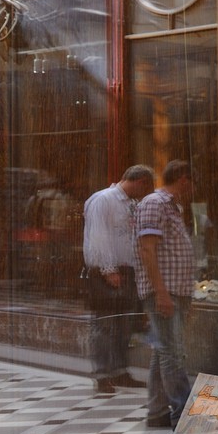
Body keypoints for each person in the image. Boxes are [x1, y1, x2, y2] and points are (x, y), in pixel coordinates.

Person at [81, 165, 154, 394]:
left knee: (124, 324)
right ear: (140, 181)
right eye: (146, 187)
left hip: (129, 270)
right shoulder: (103, 200)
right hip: (108, 271)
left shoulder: (131, 204)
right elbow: (98, 236)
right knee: (105, 324)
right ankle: (103, 373)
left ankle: (120, 370)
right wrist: (108, 268)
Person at [136, 160, 197, 429]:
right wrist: (161, 293)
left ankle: (157, 411)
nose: (193, 188)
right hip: (165, 290)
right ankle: (183, 411)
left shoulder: (173, 205)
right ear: (183, 179)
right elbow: (147, 249)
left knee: (163, 351)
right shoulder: (155, 203)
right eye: (192, 182)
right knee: (172, 351)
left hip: (175, 290)